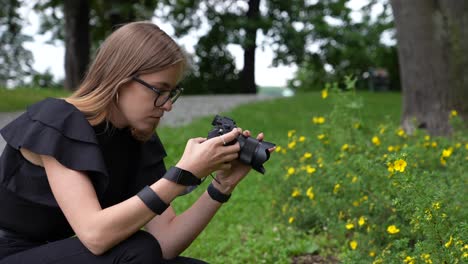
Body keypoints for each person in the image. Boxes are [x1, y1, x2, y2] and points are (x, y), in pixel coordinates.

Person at [0, 21, 274, 263]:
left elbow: (166, 242)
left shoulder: (137, 139)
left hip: (62, 252)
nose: (167, 105)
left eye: (172, 93)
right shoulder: (58, 121)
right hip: (11, 253)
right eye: (160, 90)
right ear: (121, 78)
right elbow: (95, 235)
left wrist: (221, 186)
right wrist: (181, 176)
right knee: (138, 250)